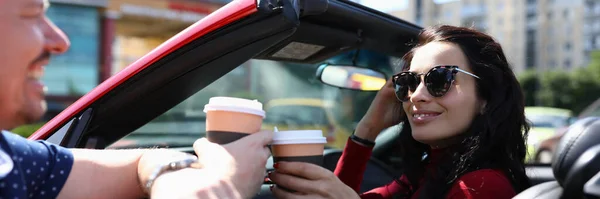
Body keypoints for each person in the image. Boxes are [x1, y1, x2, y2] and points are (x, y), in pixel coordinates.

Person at [0, 0, 272, 198]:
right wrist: (222, 183)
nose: (59, 41)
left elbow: (140, 163)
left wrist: (176, 177)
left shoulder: (12, 158)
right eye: (32, 14)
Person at [269, 25, 531, 198]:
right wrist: (369, 127)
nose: (415, 95)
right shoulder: (426, 174)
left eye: (439, 79)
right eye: (408, 82)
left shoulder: (482, 186)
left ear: (486, 97)